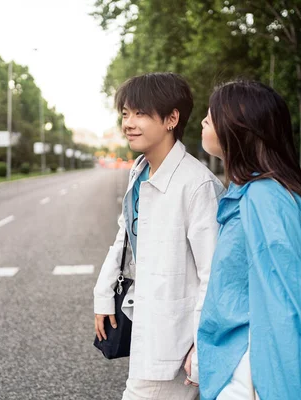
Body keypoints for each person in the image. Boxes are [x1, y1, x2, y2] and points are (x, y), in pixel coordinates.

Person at [93, 72, 225, 400]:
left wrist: (202, 344)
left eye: (140, 113)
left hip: (177, 342)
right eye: (125, 114)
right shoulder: (140, 172)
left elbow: (214, 276)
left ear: (171, 119)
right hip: (149, 327)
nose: (128, 123)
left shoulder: (197, 185)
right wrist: (103, 293)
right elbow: (124, 236)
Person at [197, 80, 301, 400]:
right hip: (239, 363)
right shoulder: (247, 192)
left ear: (239, 127)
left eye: (212, 115)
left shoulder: (264, 196)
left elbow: (284, 304)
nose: (203, 120)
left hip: (253, 372)